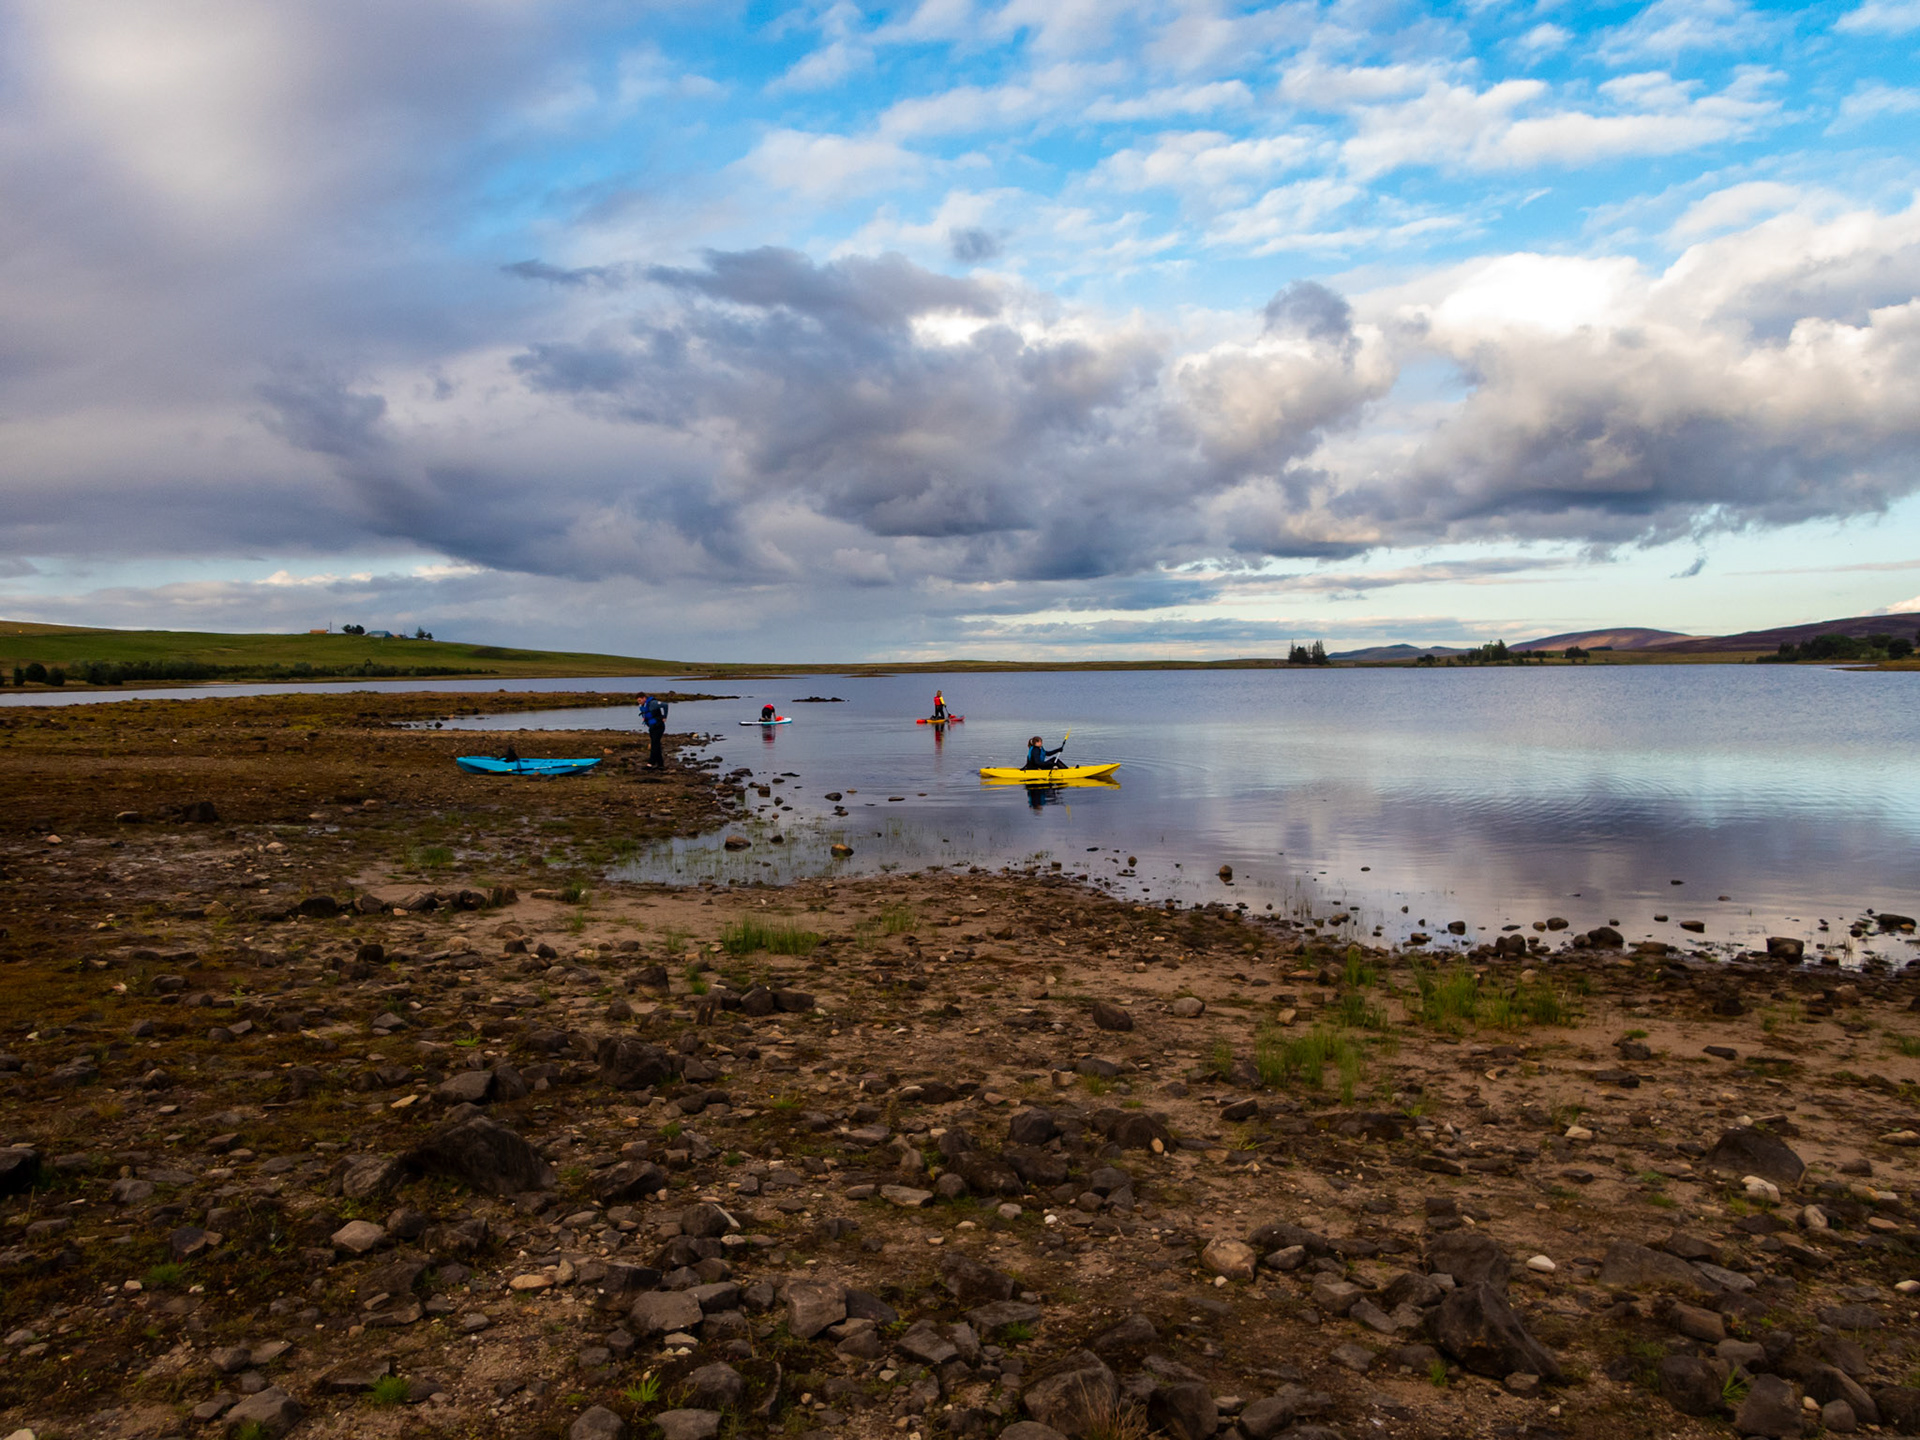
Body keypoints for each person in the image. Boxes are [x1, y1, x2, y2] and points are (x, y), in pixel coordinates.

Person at [638, 692, 669, 769]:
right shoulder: (643, 706)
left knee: (654, 745)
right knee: (656, 745)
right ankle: (660, 764)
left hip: (659, 726)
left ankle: (650, 763)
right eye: (638, 701)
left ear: (644, 698)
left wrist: (665, 717)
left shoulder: (653, 703)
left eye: (640, 700)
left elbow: (665, 705)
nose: (639, 702)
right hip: (652, 727)